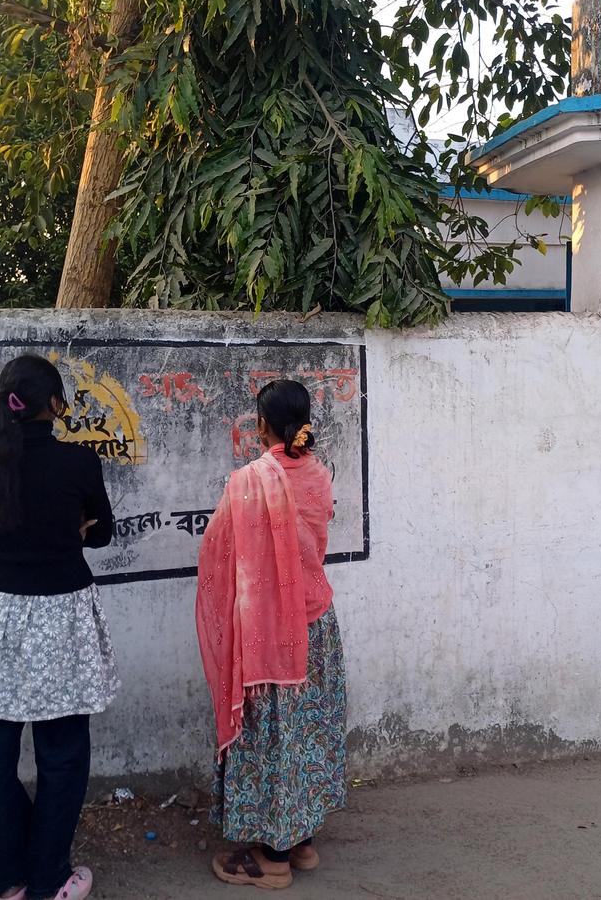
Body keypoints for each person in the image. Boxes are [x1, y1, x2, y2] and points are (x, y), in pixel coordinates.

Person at [0, 355, 118, 900]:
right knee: (63, 749)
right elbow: (102, 534)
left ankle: (4, 879)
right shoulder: (79, 461)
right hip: (62, 612)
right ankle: (49, 877)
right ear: (55, 405)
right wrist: (76, 529)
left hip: (1, 609)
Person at [197, 379, 347, 890]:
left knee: (276, 735)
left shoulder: (248, 481)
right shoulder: (319, 475)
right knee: (303, 732)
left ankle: (273, 858)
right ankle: (301, 841)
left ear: (262, 427)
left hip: (271, 633)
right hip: (314, 623)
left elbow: (218, 546)